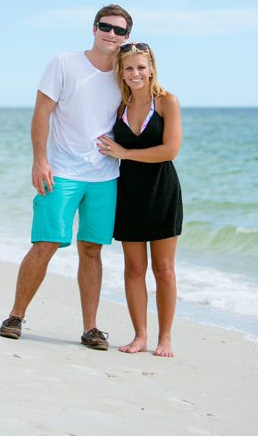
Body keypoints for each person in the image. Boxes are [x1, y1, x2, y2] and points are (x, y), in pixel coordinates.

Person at [0, 5, 133, 350]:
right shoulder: (63, 63)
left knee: (92, 250)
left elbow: (130, 115)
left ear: (126, 38)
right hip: (61, 171)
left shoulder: (124, 75)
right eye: (106, 27)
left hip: (105, 176)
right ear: (94, 28)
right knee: (45, 244)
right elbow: (41, 113)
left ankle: (91, 328)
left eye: (119, 31)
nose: (112, 34)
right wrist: (39, 160)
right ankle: (15, 316)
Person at [96, 42, 183, 357]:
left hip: (162, 191)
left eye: (141, 67)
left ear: (151, 69)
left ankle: (166, 338)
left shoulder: (166, 103)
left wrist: (125, 153)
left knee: (164, 270)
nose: (135, 74)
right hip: (128, 193)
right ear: (122, 71)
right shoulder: (120, 107)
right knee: (134, 268)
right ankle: (140, 336)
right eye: (129, 68)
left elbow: (170, 150)